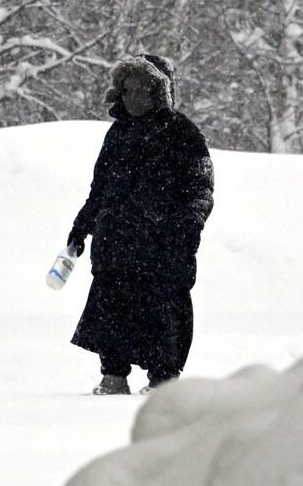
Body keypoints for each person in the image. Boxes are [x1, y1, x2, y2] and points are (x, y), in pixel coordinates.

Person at [66, 54, 214, 396]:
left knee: (165, 311)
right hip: (115, 243)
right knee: (111, 307)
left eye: (142, 89)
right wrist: (80, 228)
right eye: (127, 88)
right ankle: (113, 376)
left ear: (160, 91)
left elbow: (200, 189)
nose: (133, 96)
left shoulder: (185, 134)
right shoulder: (116, 135)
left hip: (164, 246)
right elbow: (99, 189)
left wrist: (187, 227)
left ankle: (163, 381)